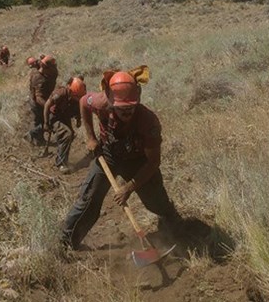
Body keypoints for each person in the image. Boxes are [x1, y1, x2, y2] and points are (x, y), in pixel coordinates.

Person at [61, 71, 182, 250]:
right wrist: (91, 137)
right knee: (89, 199)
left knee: (156, 202)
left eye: (130, 107)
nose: (127, 112)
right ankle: (66, 241)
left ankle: (176, 228)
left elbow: (153, 162)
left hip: (138, 161)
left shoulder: (148, 122)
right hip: (108, 155)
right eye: (121, 108)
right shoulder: (100, 102)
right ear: (110, 101)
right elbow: (83, 102)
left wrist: (129, 187)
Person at [43, 76, 87, 174]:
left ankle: (62, 157)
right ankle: (61, 163)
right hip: (54, 117)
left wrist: (78, 119)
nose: (77, 99)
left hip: (65, 117)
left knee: (69, 136)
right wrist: (46, 123)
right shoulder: (61, 93)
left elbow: (78, 107)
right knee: (67, 134)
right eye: (76, 96)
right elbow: (47, 105)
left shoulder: (79, 93)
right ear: (70, 91)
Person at [26, 55, 58, 146]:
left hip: (47, 98)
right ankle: (34, 137)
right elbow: (38, 98)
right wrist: (49, 106)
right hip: (37, 102)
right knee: (40, 119)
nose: (55, 68)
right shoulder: (38, 78)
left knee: (45, 119)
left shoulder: (52, 72)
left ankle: (38, 138)